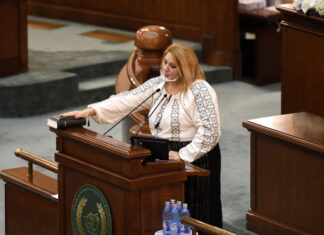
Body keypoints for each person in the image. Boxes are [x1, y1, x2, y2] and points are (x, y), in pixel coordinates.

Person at [61, 43, 223, 228]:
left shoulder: (200, 89)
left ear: (185, 67)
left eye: (173, 66)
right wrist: (90, 111)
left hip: (196, 157)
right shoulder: (159, 84)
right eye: (165, 62)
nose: (166, 69)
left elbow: (210, 131)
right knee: (169, 208)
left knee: (198, 210)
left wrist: (184, 155)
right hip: (166, 153)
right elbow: (127, 99)